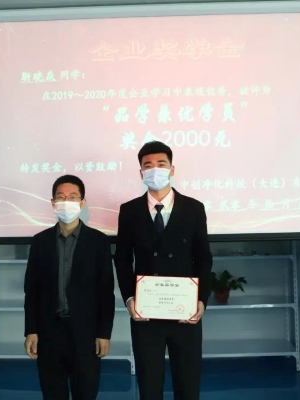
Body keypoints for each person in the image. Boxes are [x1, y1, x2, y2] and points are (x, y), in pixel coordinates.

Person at [114, 141, 213, 400]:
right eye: (148, 166)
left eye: (161, 164)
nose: (154, 170)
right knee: (149, 386)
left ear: (172, 169)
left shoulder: (193, 208)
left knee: (188, 385)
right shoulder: (129, 210)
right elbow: (122, 259)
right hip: (146, 312)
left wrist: (201, 299)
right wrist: (129, 298)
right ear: (141, 173)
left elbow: (204, 259)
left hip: (185, 311)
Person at [23, 174, 115, 400]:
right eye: (61, 197)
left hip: (86, 333)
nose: (67, 202)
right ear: (53, 202)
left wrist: (104, 333)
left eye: (73, 197)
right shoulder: (40, 241)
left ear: (82, 203)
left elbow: (106, 292)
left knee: (86, 392)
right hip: (49, 332)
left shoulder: (99, 241)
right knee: (52, 393)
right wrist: (31, 330)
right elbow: (32, 291)